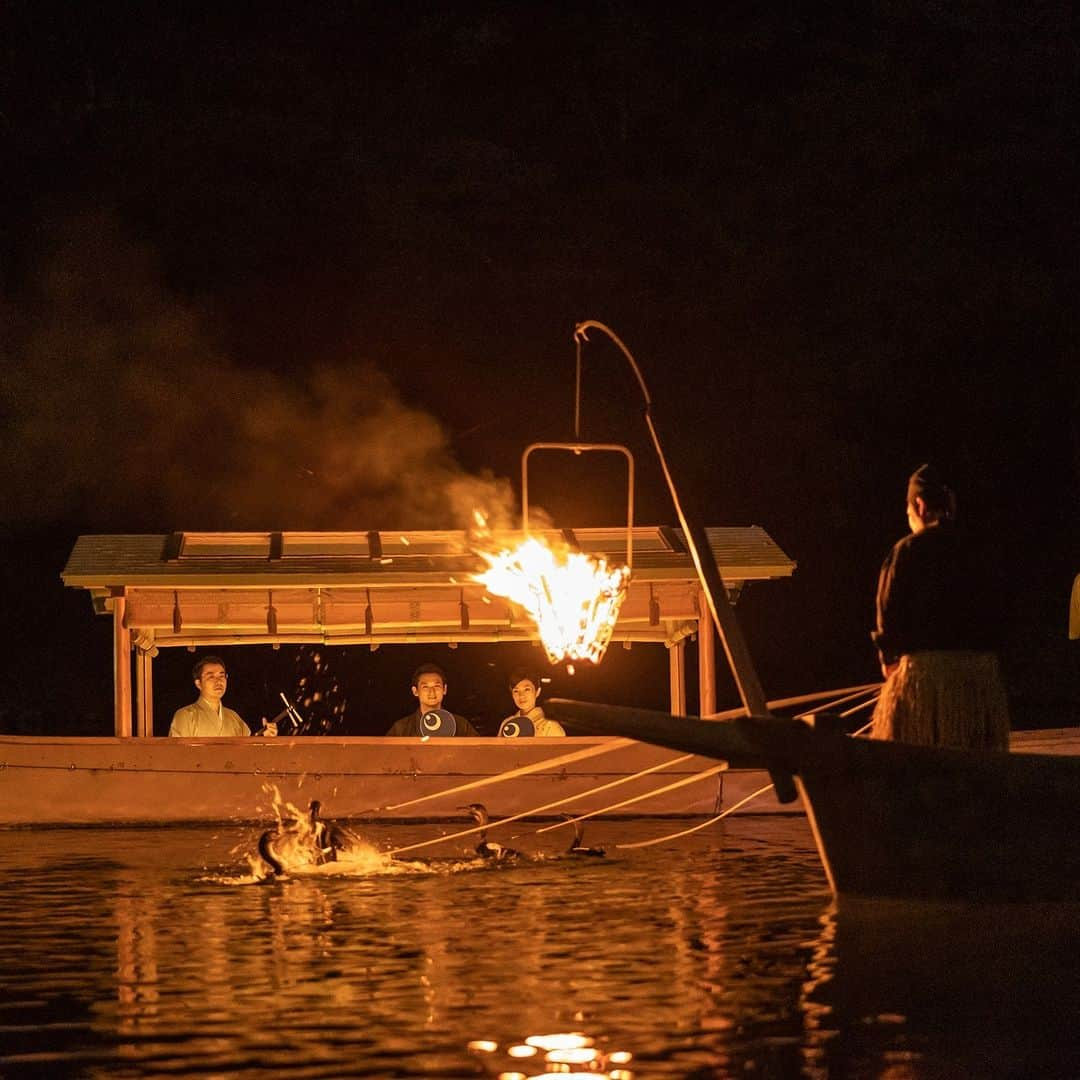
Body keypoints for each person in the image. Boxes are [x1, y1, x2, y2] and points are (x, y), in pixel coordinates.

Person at [870, 464, 1009, 750]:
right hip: (978, 685)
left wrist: (889, 660)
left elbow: (889, 611)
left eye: (908, 512)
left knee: (913, 762)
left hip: (924, 684)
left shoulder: (907, 551)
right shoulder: (981, 551)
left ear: (919, 506)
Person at [169, 655, 277, 737]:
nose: (219, 681)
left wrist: (264, 737)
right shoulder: (185, 716)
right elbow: (177, 755)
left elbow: (247, 751)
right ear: (198, 683)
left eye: (222, 676)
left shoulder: (233, 717)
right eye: (211, 677)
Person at [384, 663, 479, 736]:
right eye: (425, 687)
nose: (432, 692)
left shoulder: (461, 725)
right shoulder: (401, 728)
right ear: (415, 691)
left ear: (444, 689)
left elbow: (480, 752)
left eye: (437, 686)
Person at [497, 669, 565, 737]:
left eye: (527, 689)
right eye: (516, 691)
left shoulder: (551, 727)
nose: (521, 695)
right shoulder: (507, 723)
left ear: (537, 691)